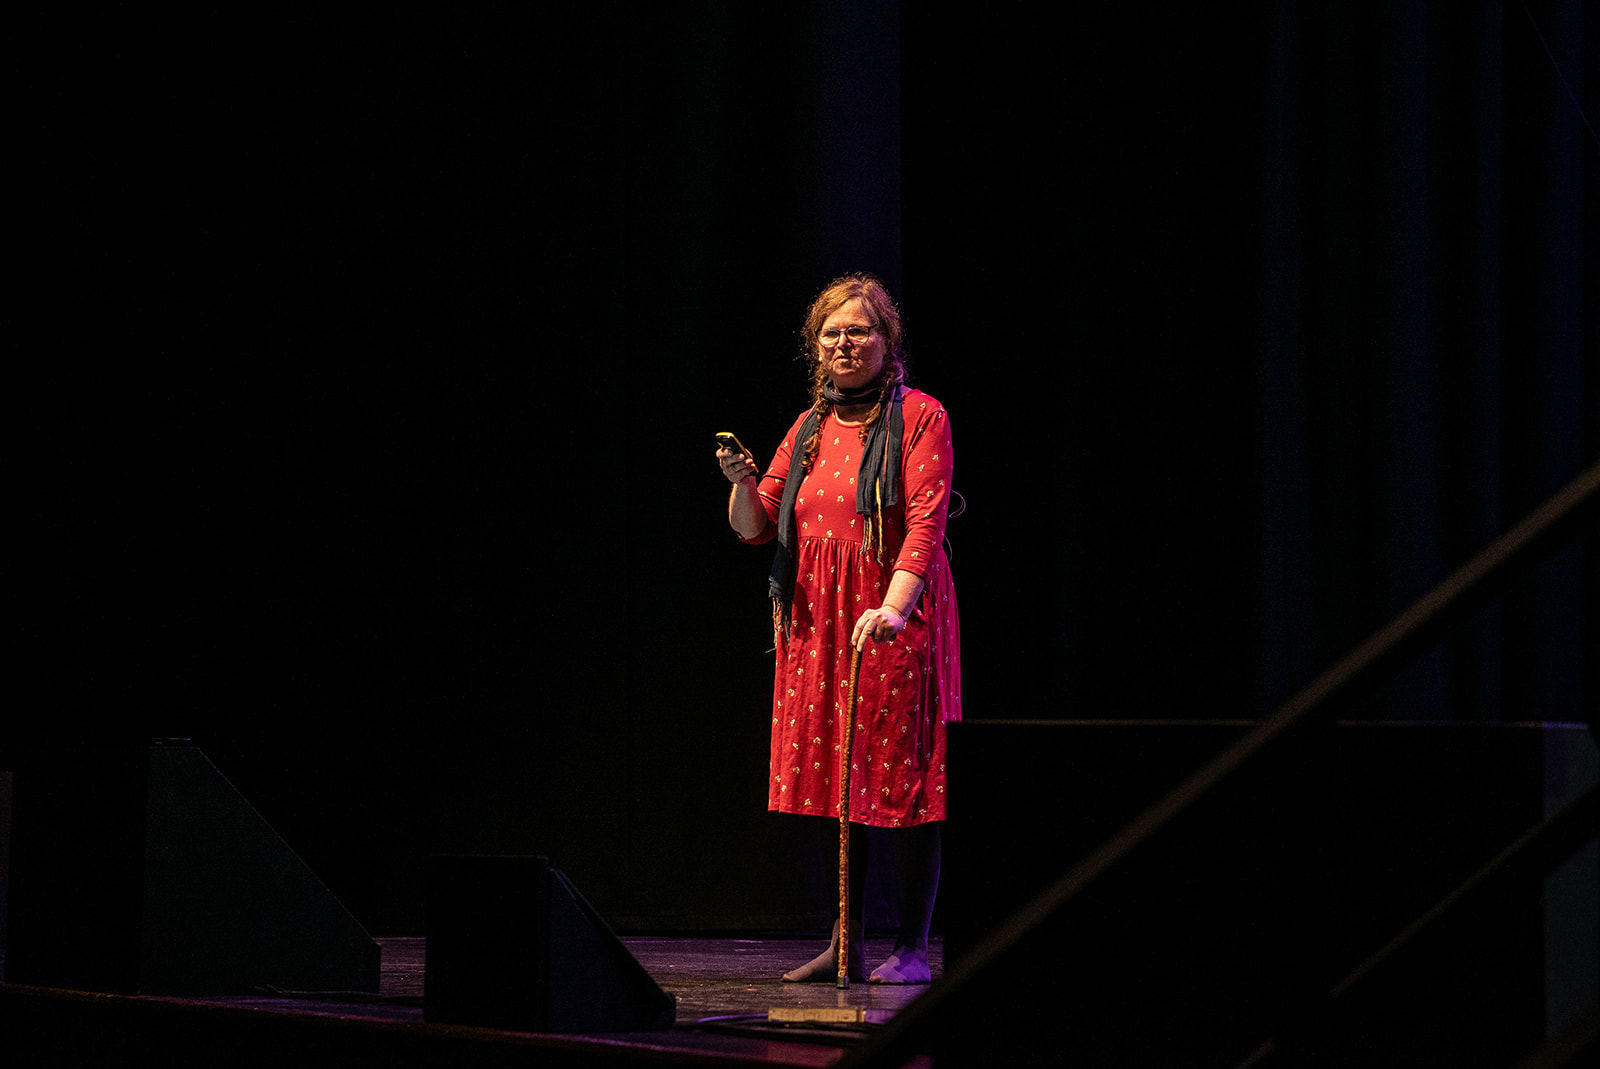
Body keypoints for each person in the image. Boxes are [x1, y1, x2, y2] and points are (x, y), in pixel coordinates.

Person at [717, 272, 961, 984]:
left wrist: (894, 605)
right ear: (814, 346)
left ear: (888, 342)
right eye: (832, 333)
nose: (845, 343)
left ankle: (912, 948)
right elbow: (756, 528)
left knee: (909, 781)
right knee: (833, 779)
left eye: (860, 330)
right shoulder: (810, 425)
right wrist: (740, 480)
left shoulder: (921, 416)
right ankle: (845, 941)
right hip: (818, 622)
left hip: (893, 613)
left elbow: (926, 521)